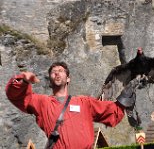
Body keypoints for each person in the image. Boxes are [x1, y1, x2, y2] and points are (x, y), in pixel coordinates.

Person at [5, 61, 135, 149]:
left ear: (68, 78)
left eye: (60, 70)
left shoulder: (84, 102)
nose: (56, 73)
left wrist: (124, 100)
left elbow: (110, 111)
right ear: (50, 79)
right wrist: (21, 80)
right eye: (53, 72)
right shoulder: (42, 103)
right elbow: (17, 96)